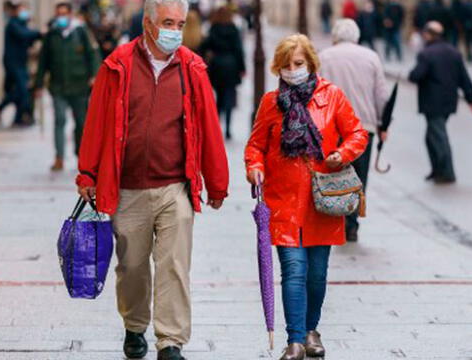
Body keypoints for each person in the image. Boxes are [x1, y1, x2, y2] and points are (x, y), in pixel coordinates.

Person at [76, 0, 229, 359]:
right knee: (131, 267)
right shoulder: (117, 65)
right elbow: (96, 122)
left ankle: (170, 341)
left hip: (175, 186)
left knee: (174, 265)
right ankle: (134, 324)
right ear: (147, 23)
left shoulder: (193, 68)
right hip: (127, 187)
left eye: (180, 23)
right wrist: (88, 172)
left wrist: (217, 182)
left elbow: (208, 127)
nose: (174, 30)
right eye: (167, 22)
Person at [245, 34, 368, 360]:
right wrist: (254, 167)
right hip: (283, 199)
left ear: (310, 63)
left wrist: (342, 154)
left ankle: (312, 329)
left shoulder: (332, 97)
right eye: (285, 65)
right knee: (293, 271)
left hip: (321, 200)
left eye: (297, 64)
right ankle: (295, 340)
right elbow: (255, 145)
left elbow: (357, 133)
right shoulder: (271, 103)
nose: (292, 70)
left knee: (317, 274)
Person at [319, 19, 389, 243]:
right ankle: (351, 223)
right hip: (362, 126)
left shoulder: (324, 57)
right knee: (359, 176)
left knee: (333, 173)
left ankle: (335, 220)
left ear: (336, 36)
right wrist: (381, 124)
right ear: (357, 36)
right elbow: (381, 95)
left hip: (331, 126)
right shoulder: (371, 57)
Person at [34, 2, 101, 172]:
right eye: (59, 14)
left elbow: (93, 55)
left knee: (81, 123)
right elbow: (43, 61)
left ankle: (80, 156)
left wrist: (95, 76)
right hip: (58, 87)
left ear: (70, 15)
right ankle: (59, 158)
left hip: (80, 87)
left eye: (64, 14)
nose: (61, 18)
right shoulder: (51, 34)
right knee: (59, 120)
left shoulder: (81, 32)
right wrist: (39, 84)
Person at [408, 21, 472, 184]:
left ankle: (448, 172)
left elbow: (415, 75)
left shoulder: (426, 54)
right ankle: (437, 170)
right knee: (431, 136)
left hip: (433, 102)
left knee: (438, 136)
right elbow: (464, 78)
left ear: (428, 34)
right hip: (449, 102)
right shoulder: (454, 52)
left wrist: (412, 72)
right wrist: (471, 99)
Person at [199, 6, 245, 140]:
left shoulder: (214, 28)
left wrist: (208, 56)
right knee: (230, 97)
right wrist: (242, 68)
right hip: (231, 65)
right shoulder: (233, 29)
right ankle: (228, 130)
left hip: (217, 65)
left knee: (219, 97)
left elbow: (204, 46)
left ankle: (217, 127)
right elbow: (238, 50)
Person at [0, 1, 41, 126]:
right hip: (13, 63)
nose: (24, 13)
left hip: (21, 62)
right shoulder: (13, 24)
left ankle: (18, 118)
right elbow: (25, 35)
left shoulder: (22, 24)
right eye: (21, 10)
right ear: (15, 12)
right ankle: (1, 108)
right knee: (22, 91)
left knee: (22, 92)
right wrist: (40, 33)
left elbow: (29, 39)